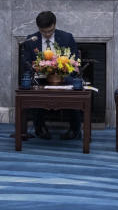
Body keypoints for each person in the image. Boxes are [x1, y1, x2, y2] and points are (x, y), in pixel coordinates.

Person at [20, 11, 81, 140]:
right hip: (41, 78)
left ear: (54, 25)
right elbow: (26, 63)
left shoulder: (67, 37)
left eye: (50, 31)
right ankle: (39, 128)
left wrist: (65, 70)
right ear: (38, 28)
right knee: (33, 88)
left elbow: (75, 60)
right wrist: (33, 68)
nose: (47, 35)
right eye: (44, 32)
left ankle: (75, 129)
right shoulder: (31, 40)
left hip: (63, 77)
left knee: (74, 87)